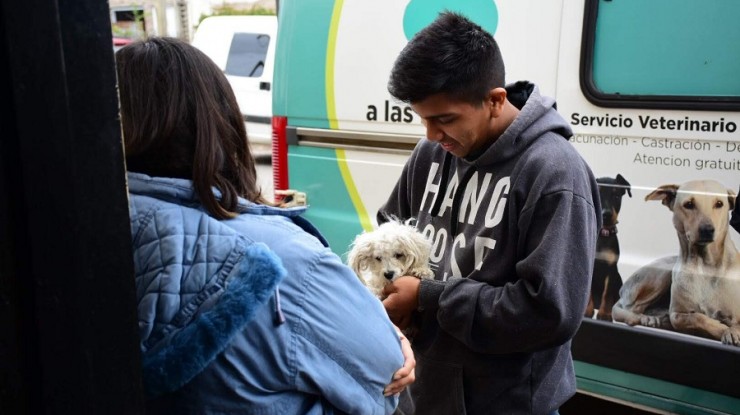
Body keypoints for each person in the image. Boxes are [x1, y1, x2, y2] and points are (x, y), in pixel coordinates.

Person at [116, 36, 414, 415]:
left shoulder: (78, 232)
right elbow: (387, 376)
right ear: (218, 122)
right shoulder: (282, 257)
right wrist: (386, 334)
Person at [378, 12, 601, 415]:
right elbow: (389, 233)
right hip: (423, 394)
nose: (431, 135)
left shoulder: (553, 172)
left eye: (444, 119)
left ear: (495, 100)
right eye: (423, 119)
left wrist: (428, 296)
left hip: (507, 403)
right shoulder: (431, 153)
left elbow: (548, 311)